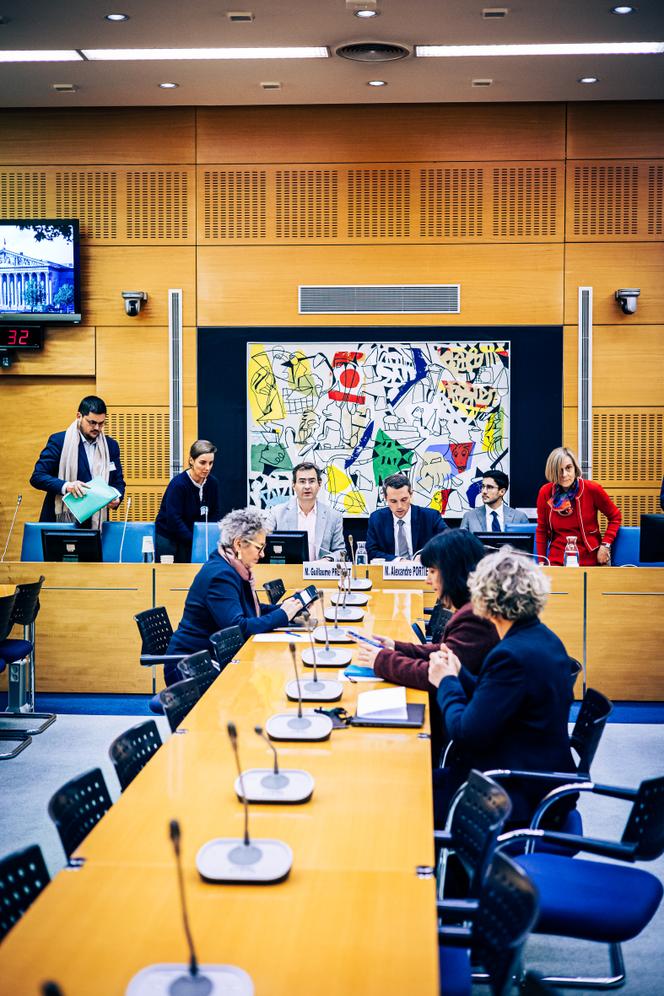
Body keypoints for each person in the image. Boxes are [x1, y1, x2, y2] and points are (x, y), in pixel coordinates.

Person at [428, 547, 577, 829]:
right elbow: (496, 700)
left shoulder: (510, 656)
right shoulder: (544, 639)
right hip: (530, 776)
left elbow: (465, 733)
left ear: (485, 600)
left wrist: (445, 681)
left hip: (511, 795)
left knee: (408, 797)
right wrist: (459, 672)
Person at [166, 507, 303, 683]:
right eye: (259, 547)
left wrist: (289, 606)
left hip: (209, 658)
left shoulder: (231, 567)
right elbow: (238, 627)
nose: (262, 554)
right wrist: (283, 615)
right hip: (190, 666)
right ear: (238, 544)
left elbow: (250, 609)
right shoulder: (221, 575)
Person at [357, 530, 498, 686]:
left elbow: (436, 675)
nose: (427, 580)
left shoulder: (475, 617)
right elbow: (444, 650)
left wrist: (382, 661)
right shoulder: (472, 608)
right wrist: (395, 646)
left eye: (432, 571)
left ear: (451, 573)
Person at [30, 395, 125, 527]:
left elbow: (118, 482)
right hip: (60, 521)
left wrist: (117, 497)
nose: (97, 428)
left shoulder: (111, 446)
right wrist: (67, 486)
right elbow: (38, 477)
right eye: (92, 422)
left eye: (101, 423)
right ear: (79, 416)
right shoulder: (59, 441)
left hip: (95, 524)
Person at [536, 447, 621, 566]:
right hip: (557, 560)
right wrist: (541, 561)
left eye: (568, 468)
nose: (564, 474)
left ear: (575, 468)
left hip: (590, 559)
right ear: (552, 472)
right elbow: (542, 530)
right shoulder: (545, 492)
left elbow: (615, 517)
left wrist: (605, 545)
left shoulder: (592, 489)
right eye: (559, 470)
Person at [155, 440, 221, 563]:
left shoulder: (212, 483)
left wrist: (205, 537)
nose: (207, 468)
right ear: (191, 460)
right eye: (202, 463)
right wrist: (196, 541)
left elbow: (214, 513)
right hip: (169, 538)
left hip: (194, 538)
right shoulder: (178, 484)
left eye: (210, 463)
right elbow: (174, 520)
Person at [271, 462, 346, 560]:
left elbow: (341, 551)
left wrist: (328, 560)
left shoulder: (334, 516)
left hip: (319, 573)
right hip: (287, 573)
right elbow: (263, 544)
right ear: (293, 485)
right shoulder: (277, 513)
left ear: (319, 484)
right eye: (302, 481)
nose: (307, 486)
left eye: (311, 481)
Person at [366, 472, 447, 561]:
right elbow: (371, 551)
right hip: (390, 571)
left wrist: (424, 555)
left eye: (404, 500)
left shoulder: (430, 517)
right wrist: (398, 561)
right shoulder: (377, 518)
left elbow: (448, 542)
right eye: (393, 501)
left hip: (423, 571)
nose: (399, 506)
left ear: (411, 495)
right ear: (385, 498)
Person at [460, 469, 529, 533]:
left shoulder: (519, 517)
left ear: (502, 491)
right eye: (483, 486)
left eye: (490, 487)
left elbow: (527, 545)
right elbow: (461, 544)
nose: (484, 491)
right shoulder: (469, 516)